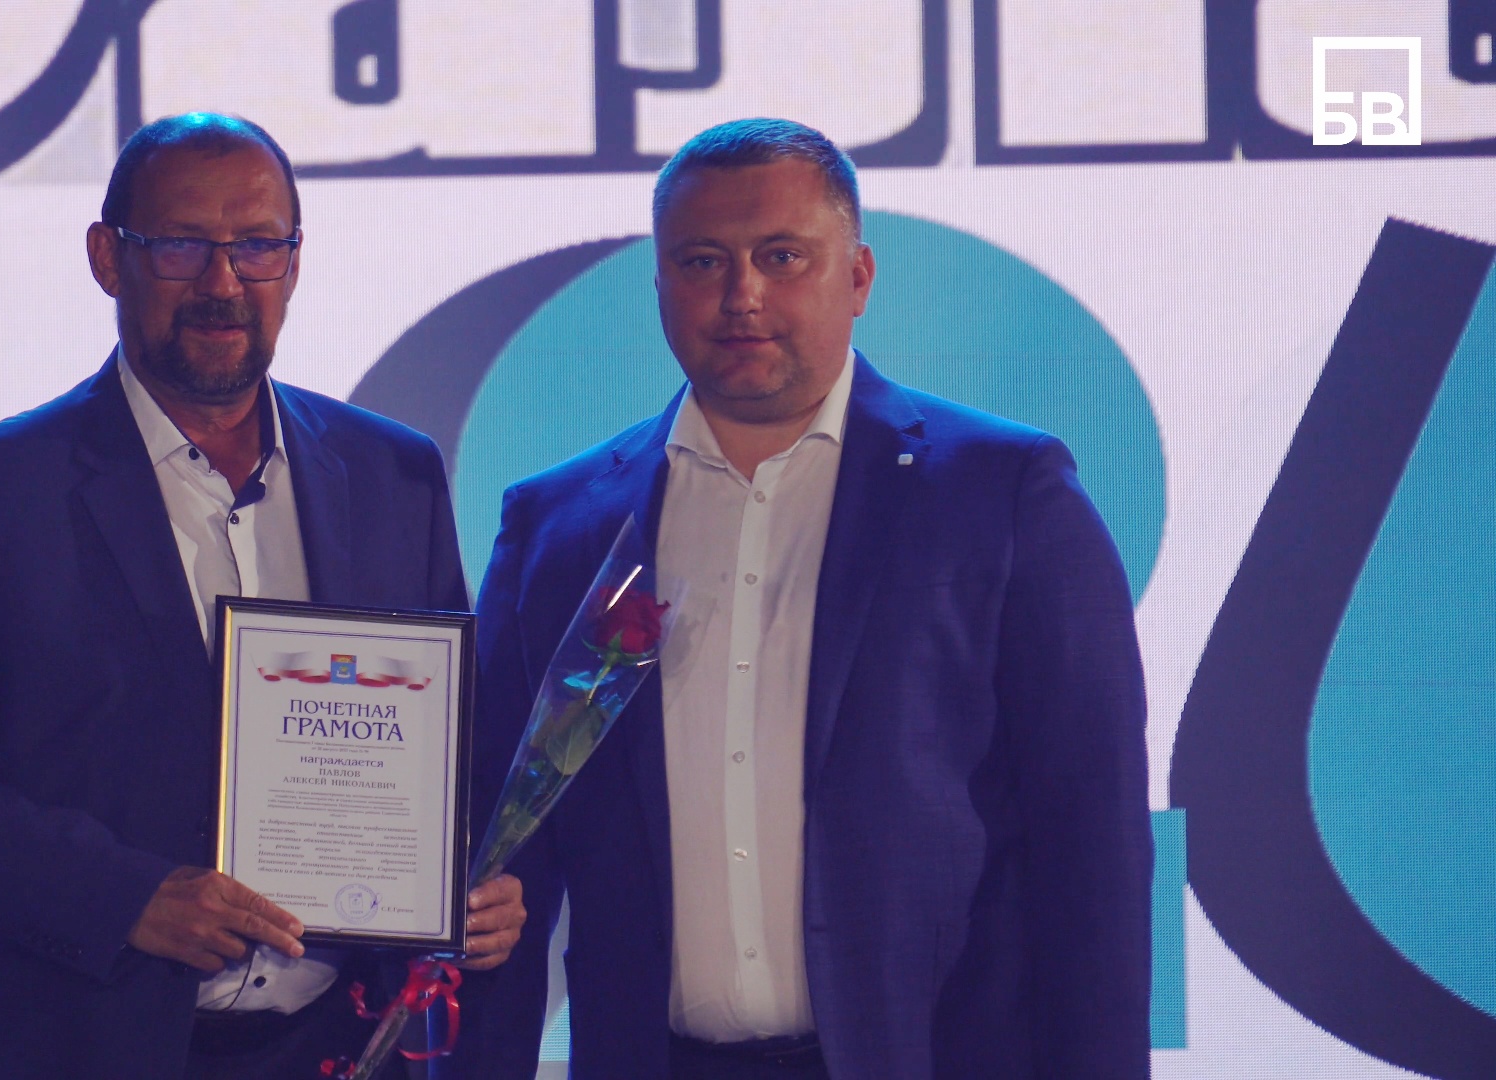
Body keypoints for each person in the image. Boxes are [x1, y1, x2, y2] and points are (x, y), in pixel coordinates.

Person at [447, 118, 1151, 1079]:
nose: (742, 295)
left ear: (857, 277)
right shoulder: (558, 527)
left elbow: (1091, 848)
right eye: (703, 261)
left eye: (782, 257)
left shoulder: (1003, 492)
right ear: (659, 286)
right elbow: (497, 866)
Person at [0, 113, 525, 1079]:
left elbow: (449, 750)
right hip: (76, 1050)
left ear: (294, 261)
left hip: (341, 1049)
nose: (223, 282)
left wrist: (476, 885)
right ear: (108, 258)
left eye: (257, 246)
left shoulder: (391, 475)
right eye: (182, 244)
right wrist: (123, 898)